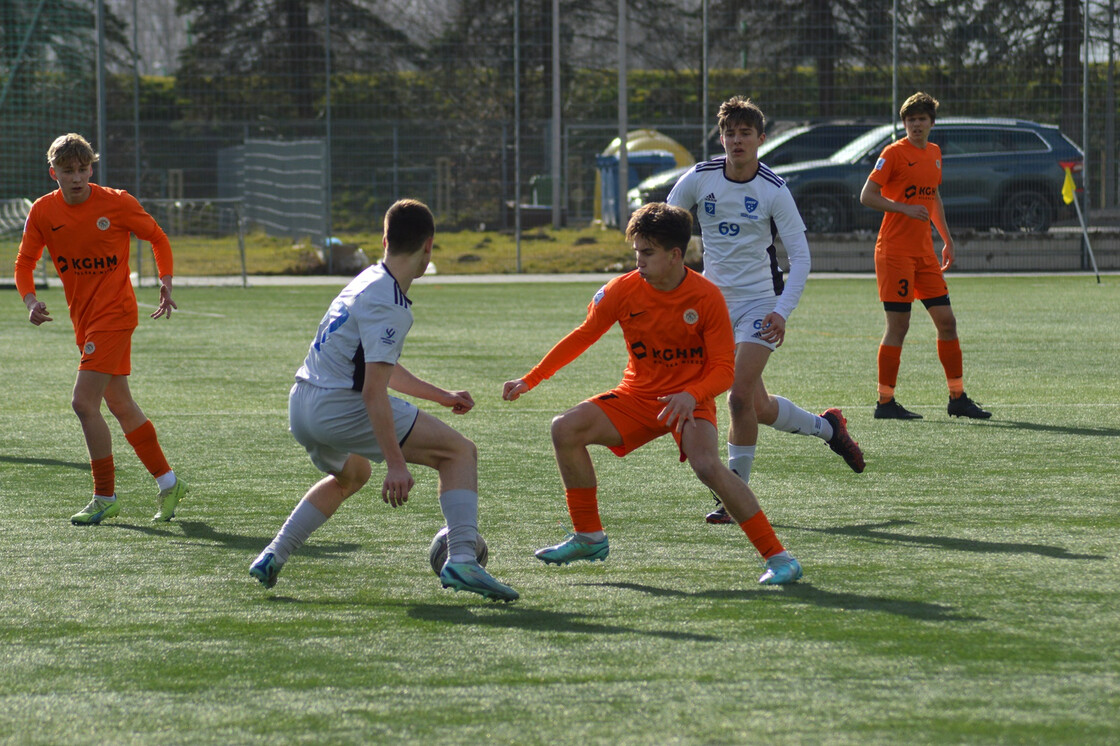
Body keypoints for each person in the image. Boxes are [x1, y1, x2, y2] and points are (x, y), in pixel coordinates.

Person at [502, 203, 802, 585]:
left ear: (675, 256)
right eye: (637, 253)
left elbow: (725, 371)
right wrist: (532, 378)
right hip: (637, 398)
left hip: (689, 400)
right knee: (565, 429)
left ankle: (779, 558)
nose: (638, 261)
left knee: (708, 467)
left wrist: (691, 396)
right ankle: (589, 536)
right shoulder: (621, 291)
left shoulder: (707, 298)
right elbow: (583, 335)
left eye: (647, 253)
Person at [250, 199, 518, 602]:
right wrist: (395, 463)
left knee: (352, 476)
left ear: (384, 239)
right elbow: (373, 390)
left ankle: (274, 554)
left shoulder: (367, 278)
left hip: (302, 404)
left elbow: (380, 366)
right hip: (337, 404)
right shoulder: (389, 302)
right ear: (429, 246)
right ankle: (463, 556)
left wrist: (441, 396)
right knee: (459, 453)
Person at [667, 96, 864, 525]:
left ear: (761, 138)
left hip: (760, 302)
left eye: (745, 133)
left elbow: (802, 257)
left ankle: (733, 498)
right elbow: (666, 229)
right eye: (729, 134)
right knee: (757, 405)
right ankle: (829, 427)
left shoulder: (774, 189)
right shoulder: (699, 178)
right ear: (721, 139)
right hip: (713, 307)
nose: (737, 141)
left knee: (737, 396)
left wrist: (782, 311)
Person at [14, 133, 188, 525]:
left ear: (91, 168)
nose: (76, 177)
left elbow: (157, 237)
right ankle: (169, 482)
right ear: (53, 173)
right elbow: (24, 264)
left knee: (83, 403)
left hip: (115, 314)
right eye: (67, 171)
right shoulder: (43, 212)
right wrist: (30, 302)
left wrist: (165, 279)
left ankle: (105, 495)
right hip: (85, 318)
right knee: (120, 404)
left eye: (83, 169)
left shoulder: (116, 202)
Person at [859, 92, 991, 421]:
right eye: (910, 120)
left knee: (947, 322)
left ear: (932, 123)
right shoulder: (893, 154)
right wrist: (902, 207)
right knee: (898, 326)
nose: (916, 124)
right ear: (904, 124)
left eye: (922, 119)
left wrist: (946, 239)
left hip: (924, 254)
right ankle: (885, 403)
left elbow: (933, 198)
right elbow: (867, 195)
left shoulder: (934, 153)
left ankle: (957, 397)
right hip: (894, 253)